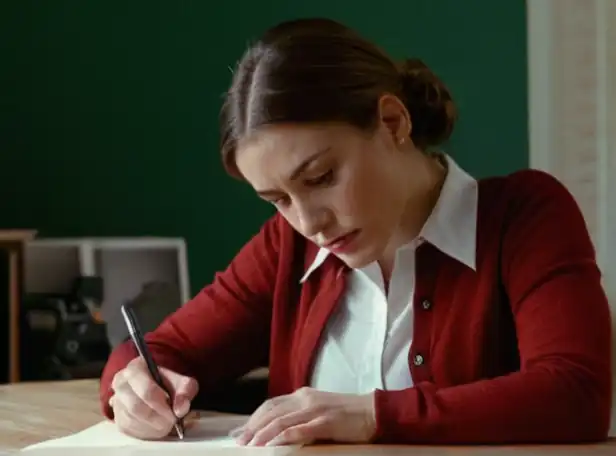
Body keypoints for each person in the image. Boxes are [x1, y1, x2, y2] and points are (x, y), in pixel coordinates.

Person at [100, 17, 613, 446]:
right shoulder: (287, 250)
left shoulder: (524, 217)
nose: (309, 222)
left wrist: (373, 415)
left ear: (392, 122)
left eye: (321, 178)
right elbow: (157, 351)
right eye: (278, 200)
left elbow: (576, 394)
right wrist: (135, 388)